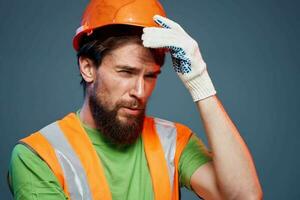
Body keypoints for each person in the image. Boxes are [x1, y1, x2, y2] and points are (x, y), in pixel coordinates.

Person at [8, 0, 263, 199]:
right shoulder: (38, 155)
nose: (140, 91)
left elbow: (244, 196)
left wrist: (200, 83)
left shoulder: (174, 142)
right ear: (88, 68)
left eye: (150, 76)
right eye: (126, 72)